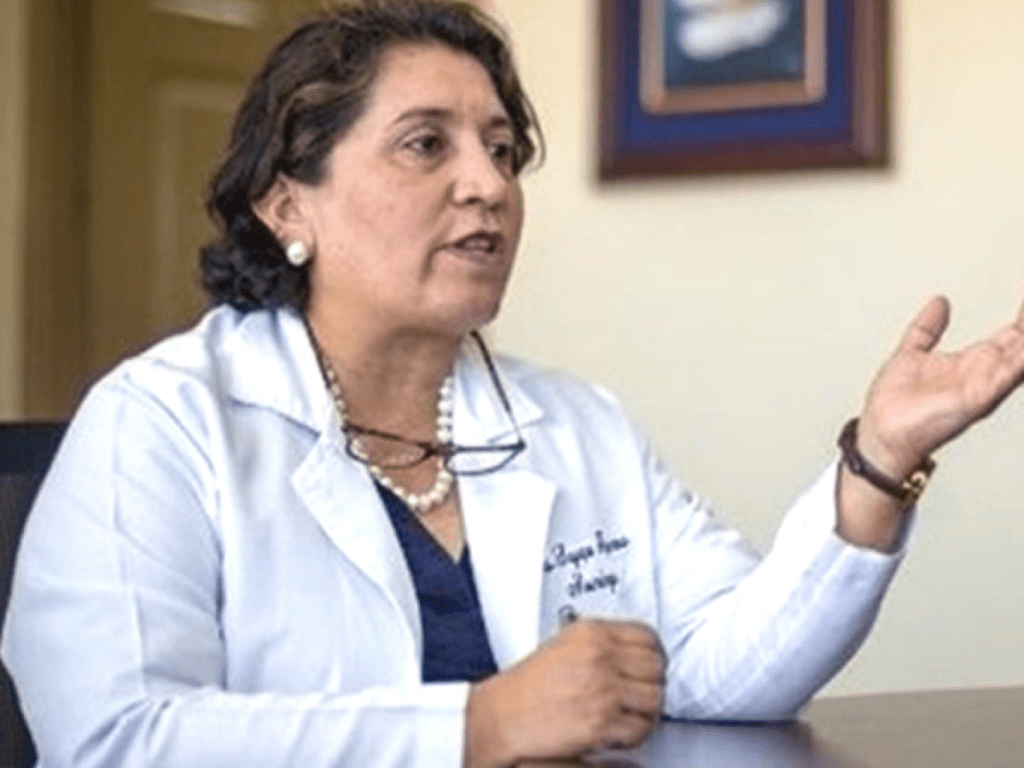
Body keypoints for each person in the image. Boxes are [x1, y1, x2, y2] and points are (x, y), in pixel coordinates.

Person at [3, 1, 1024, 767]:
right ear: (285, 205)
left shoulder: (576, 423)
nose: (488, 183)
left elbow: (724, 671)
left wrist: (877, 463)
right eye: (425, 145)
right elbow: (116, 739)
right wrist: (478, 726)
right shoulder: (160, 422)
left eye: (500, 149)